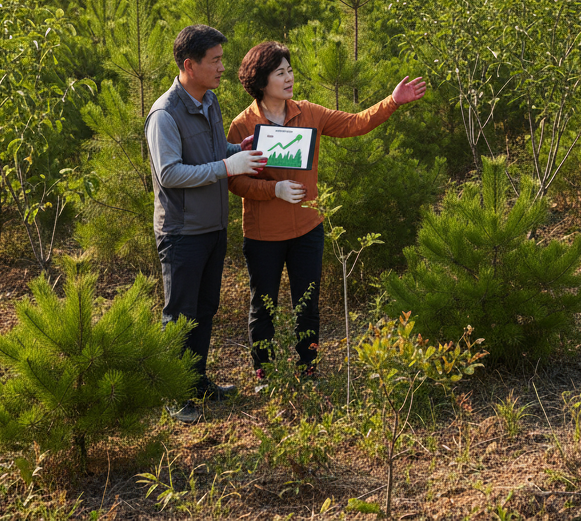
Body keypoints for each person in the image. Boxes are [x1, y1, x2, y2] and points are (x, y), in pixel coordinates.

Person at [227, 41, 426, 384]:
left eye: (290, 70)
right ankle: (265, 374)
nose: (289, 78)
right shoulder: (243, 125)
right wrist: (272, 189)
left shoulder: (308, 113)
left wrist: (392, 101)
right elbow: (234, 181)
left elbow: (355, 123)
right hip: (263, 234)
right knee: (263, 307)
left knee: (308, 305)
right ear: (261, 81)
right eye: (280, 73)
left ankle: (309, 370)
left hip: (307, 228)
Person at [145, 24, 266, 423]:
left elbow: (214, 152)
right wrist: (227, 166)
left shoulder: (209, 101)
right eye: (214, 61)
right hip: (182, 232)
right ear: (189, 65)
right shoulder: (165, 114)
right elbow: (170, 174)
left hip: (212, 227)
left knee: (205, 309)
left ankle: (196, 383)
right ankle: (172, 392)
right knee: (179, 314)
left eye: (221, 59)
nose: (221, 68)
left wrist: (238, 149)